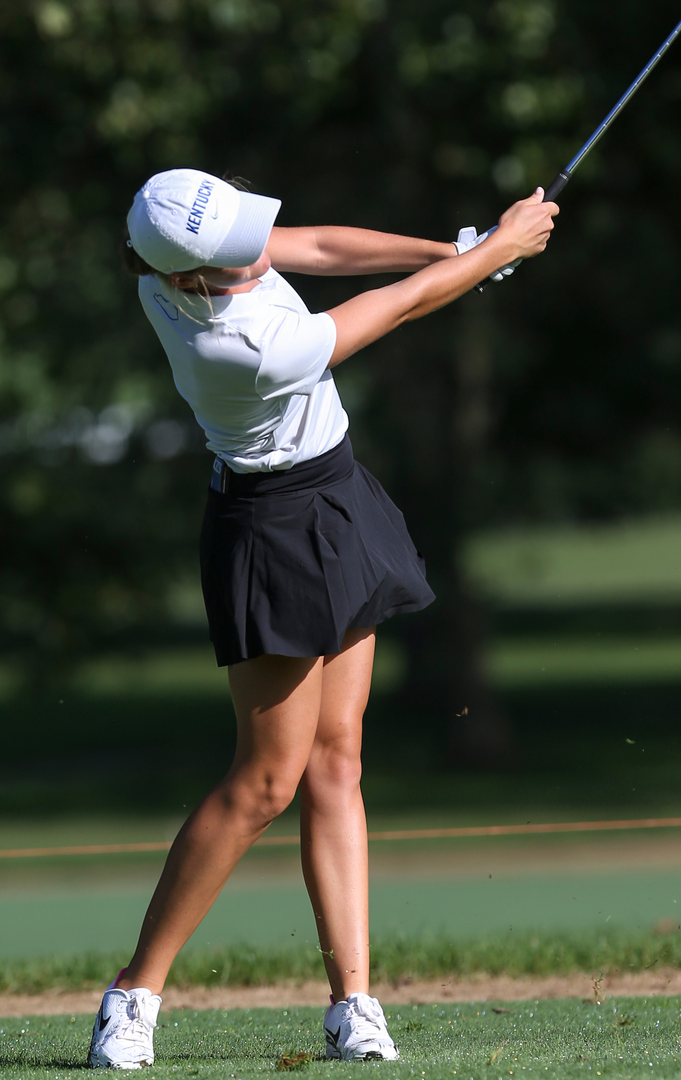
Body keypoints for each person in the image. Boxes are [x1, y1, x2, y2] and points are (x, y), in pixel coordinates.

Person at [87, 169, 557, 1069]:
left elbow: (321, 248)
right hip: (269, 528)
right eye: (232, 254)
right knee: (265, 781)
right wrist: (496, 249)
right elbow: (396, 308)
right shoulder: (240, 349)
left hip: (333, 493)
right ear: (189, 277)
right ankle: (132, 994)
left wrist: (453, 251)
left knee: (339, 760)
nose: (253, 254)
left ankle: (353, 1005)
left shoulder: (175, 261)